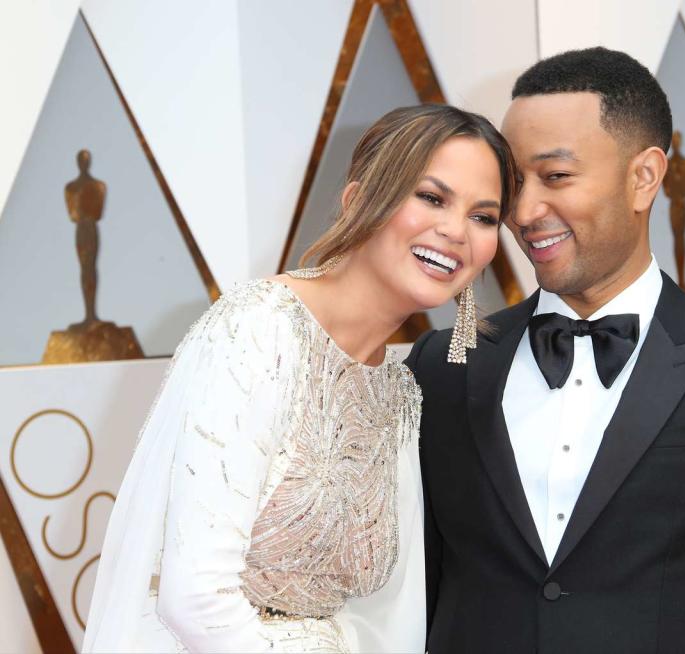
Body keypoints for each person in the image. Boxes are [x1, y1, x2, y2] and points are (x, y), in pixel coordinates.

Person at [406, 47, 685, 653]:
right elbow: (411, 598)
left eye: (555, 177)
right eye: (514, 183)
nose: (525, 212)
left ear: (645, 177)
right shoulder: (442, 363)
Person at [82, 104, 517, 653]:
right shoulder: (260, 329)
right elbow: (193, 597)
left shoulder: (399, 392)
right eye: (431, 197)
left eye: (484, 217)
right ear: (359, 200)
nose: (456, 231)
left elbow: (388, 616)